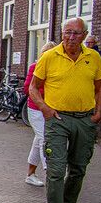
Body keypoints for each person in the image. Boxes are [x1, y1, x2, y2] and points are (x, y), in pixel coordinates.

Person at [29, 17, 101, 203]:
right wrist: (44, 109)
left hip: (84, 119)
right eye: (67, 32)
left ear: (85, 35)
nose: (71, 37)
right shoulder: (50, 57)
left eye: (77, 33)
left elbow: (99, 88)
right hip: (58, 119)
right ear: (62, 33)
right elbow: (33, 87)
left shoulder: (94, 58)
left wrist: (98, 113)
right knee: (55, 169)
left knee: (79, 167)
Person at [23, 41, 57, 187]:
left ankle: (30, 174)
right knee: (45, 139)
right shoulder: (35, 67)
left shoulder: (56, 70)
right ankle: (50, 173)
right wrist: (42, 96)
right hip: (36, 109)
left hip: (51, 110)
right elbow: (27, 89)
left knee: (38, 141)